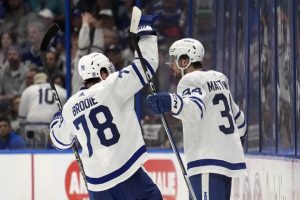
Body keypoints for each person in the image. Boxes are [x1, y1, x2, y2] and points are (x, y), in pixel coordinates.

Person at [49, 16, 163, 200]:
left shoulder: (71, 105)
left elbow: (60, 141)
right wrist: (146, 35)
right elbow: (146, 66)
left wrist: (56, 120)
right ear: (102, 73)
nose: (111, 72)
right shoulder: (111, 85)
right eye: (108, 70)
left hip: (96, 184)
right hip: (124, 171)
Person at [147, 38, 247, 200]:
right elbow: (240, 120)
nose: (171, 65)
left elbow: (194, 109)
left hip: (206, 162)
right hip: (226, 162)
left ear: (185, 61)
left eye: (174, 59)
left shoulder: (189, 80)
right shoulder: (219, 78)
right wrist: (228, 144)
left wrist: (169, 101)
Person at [18, 72, 66, 149]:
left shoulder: (28, 90)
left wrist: (22, 129)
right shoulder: (61, 90)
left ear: (34, 81)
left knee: (32, 148)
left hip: (32, 124)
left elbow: (22, 116)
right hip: (52, 124)